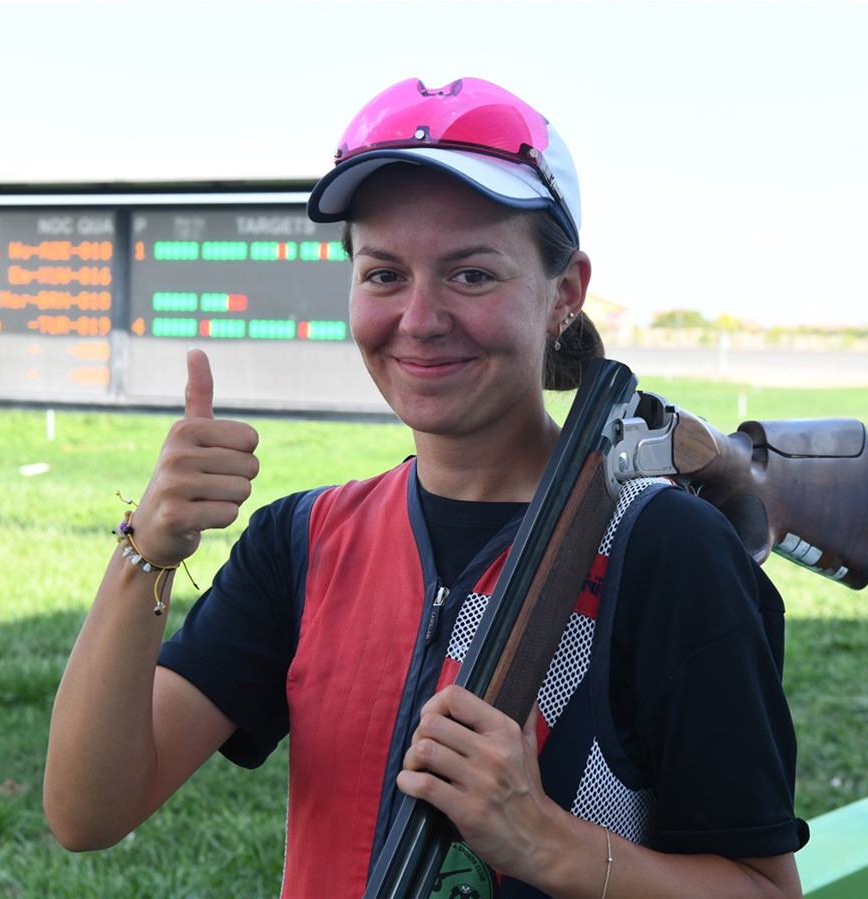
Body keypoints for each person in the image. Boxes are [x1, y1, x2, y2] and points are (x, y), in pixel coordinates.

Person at [44, 76, 808, 898]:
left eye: (471, 274)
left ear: (565, 293)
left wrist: (548, 842)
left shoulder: (663, 550)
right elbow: (89, 812)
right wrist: (146, 552)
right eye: (382, 275)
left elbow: (762, 888)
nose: (418, 317)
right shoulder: (303, 542)